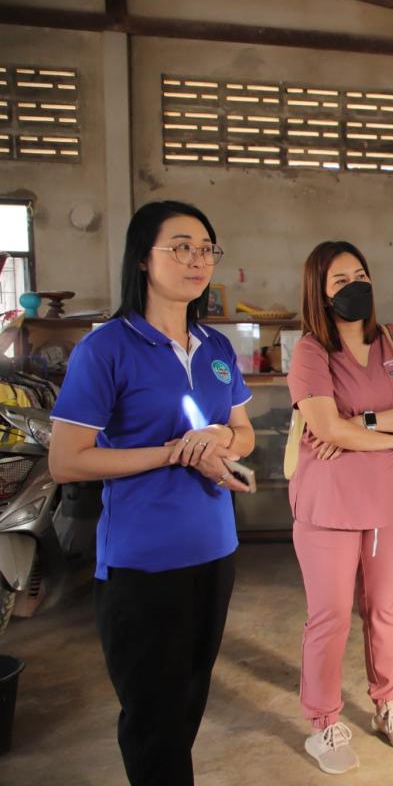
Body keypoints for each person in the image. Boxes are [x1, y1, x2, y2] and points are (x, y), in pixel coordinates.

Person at [48, 201, 256, 785]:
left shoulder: (215, 348)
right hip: (143, 562)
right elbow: (67, 460)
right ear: (143, 257)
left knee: (187, 704)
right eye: (181, 247)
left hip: (215, 551)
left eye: (207, 249)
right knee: (153, 720)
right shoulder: (106, 348)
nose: (198, 260)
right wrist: (171, 452)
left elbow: (243, 433)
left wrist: (220, 438)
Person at [287, 241, 393, 775]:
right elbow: (325, 427)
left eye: (360, 275)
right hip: (327, 505)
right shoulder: (310, 351)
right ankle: (323, 722)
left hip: (387, 504)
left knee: (384, 608)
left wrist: (364, 424)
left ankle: (387, 702)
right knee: (329, 618)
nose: (354, 286)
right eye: (339, 280)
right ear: (320, 293)